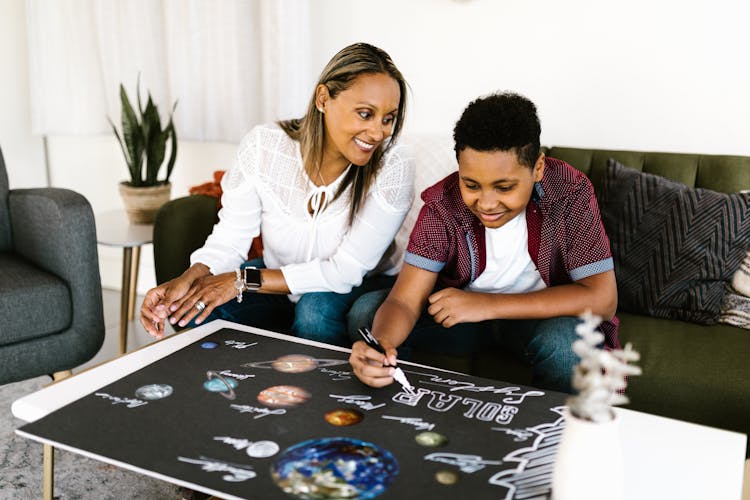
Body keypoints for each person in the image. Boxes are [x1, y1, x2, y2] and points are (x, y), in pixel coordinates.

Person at [140, 42, 414, 347]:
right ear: (323, 99)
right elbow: (231, 237)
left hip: (358, 282)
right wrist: (189, 278)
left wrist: (241, 281)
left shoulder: (394, 165)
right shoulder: (265, 146)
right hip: (278, 276)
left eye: (388, 119)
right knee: (194, 306)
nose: (378, 132)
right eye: (365, 114)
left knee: (314, 312)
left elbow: (344, 272)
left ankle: (316, 389)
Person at [348, 91, 619, 393]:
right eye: (471, 184)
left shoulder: (569, 192)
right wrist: (382, 345)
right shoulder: (443, 205)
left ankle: (553, 434)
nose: (487, 203)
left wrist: (487, 304)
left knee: (568, 343)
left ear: (538, 168)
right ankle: (400, 409)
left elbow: (602, 300)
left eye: (504, 187)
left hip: (537, 320)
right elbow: (403, 301)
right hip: (463, 321)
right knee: (369, 313)